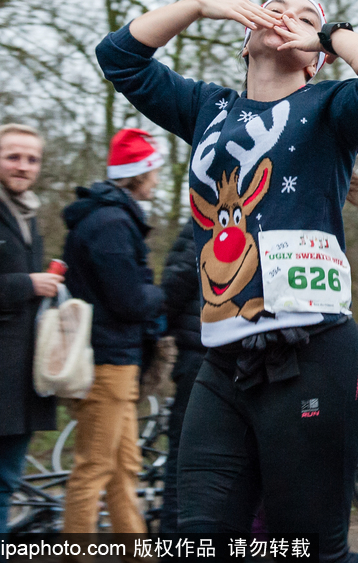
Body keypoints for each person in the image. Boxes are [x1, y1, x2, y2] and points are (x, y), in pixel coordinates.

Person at [95, 0, 358, 559]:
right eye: (275, 8)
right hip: (223, 364)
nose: (287, 18)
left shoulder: (331, 108)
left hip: (314, 356)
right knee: (197, 543)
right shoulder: (204, 108)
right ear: (245, 38)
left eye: (305, 17)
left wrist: (330, 35)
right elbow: (119, 55)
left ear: (314, 57)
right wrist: (199, 6)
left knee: (307, 549)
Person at [60, 128, 167, 534]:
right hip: (107, 362)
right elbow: (129, 301)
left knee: (125, 469)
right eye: (153, 169)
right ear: (139, 173)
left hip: (117, 361)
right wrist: (163, 294)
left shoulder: (110, 218)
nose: (157, 178)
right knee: (94, 469)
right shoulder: (111, 224)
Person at [0, 124, 60, 533]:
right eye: (14, 156)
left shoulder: (29, 212)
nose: (23, 166)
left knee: (4, 485)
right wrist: (30, 284)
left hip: (20, 376)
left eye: (31, 159)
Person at [157, 220, 206, 533]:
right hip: (200, 358)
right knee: (185, 457)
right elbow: (172, 290)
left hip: (220, 357)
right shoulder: (201, 227)